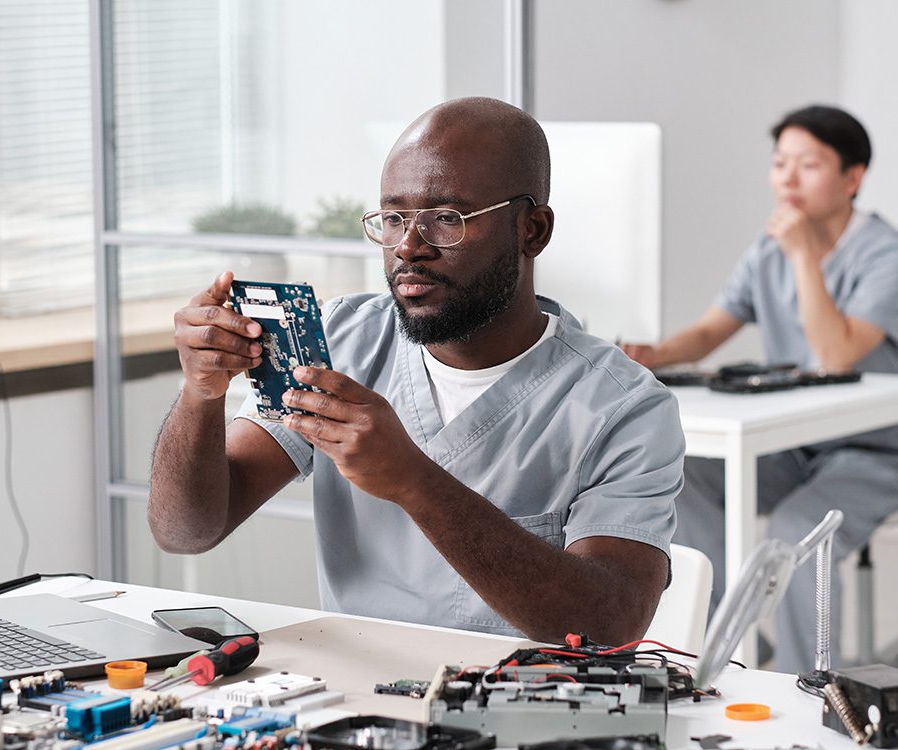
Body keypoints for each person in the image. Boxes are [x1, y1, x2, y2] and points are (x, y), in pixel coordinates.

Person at [149, 96, 685, 645]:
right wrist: (200, 393)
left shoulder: (624, 407)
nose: (408, 247)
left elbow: (608, 626)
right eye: (393, 219)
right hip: (349, 698)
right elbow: (186, 530)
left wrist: (413, 480)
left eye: (446, 220)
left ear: (532, 230)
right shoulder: (341, 340)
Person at [624, 104, 898, 673]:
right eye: (779, 164)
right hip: (796, 446)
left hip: (873, 449)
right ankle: (739, 638)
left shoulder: (883, 254)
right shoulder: (766, 250)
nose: (788, 179)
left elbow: (835, 353)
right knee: (677, 476)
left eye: (808, 165)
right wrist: (652, 353)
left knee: (799, 530)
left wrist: (803, 256)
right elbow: (707, 333)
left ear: (853, 178)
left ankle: (808, 686)